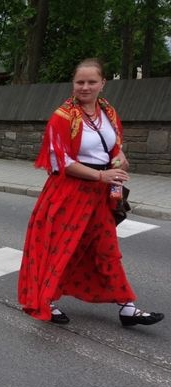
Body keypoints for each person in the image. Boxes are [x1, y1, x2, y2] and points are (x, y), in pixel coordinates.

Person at [17, 58, 164, 327]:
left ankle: (126, 306)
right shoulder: (62, 117)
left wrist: (119, 158)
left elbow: (114, 146)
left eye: (91, 82)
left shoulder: (108, 111)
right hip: (68, 193)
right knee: (62, 247)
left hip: (98, 195)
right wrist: (100, 174)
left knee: (107, 248)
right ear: (73, 84)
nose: (85, 87)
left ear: (103, 84)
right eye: (80, 82)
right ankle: (47, 300)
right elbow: (59, 162)